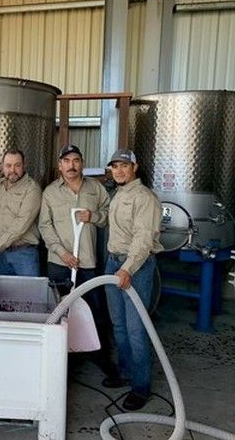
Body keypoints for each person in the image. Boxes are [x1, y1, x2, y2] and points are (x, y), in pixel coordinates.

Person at [39, 144, 120, 383]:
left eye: (76, 160)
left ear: (82, 163)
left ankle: (102, 358)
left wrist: (93, 217)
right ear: (60, 165)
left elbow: (109, 217)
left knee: (96, 311)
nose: (71, 165)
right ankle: (60, 360)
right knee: (59, 311)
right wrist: (62, 252)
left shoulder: (96, 189)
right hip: (60, 262)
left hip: (87, 263)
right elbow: (45, 226)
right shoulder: (50, 193)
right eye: (66, 161)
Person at [105, 149, 163, 411]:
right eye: (115, 166)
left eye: (124, 166)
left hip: (135, 268)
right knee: (118, 325)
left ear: (135, 167)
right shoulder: (118, 194)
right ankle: (126, 373)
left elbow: (143, 240)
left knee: (136, 329)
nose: (118, 170)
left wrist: (127, 269)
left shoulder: (144, 198)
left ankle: (140, 387)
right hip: (113, 262)